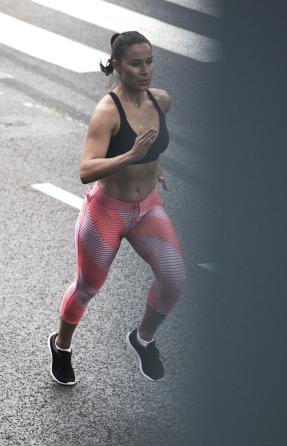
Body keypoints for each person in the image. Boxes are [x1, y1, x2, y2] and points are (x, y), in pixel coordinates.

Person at [49, 31, 185, 386]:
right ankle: (62, 347)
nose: (145, 70)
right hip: (106, 212)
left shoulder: (161, 101)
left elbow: (151, 143)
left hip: (147, 208)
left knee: (174, 278)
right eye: (136, 64)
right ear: (117, 65)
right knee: (87, 288)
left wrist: (153, 164)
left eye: (150, 61)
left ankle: (142, 339)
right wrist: (130, 156)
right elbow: (85, 170)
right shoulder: (107, 112)